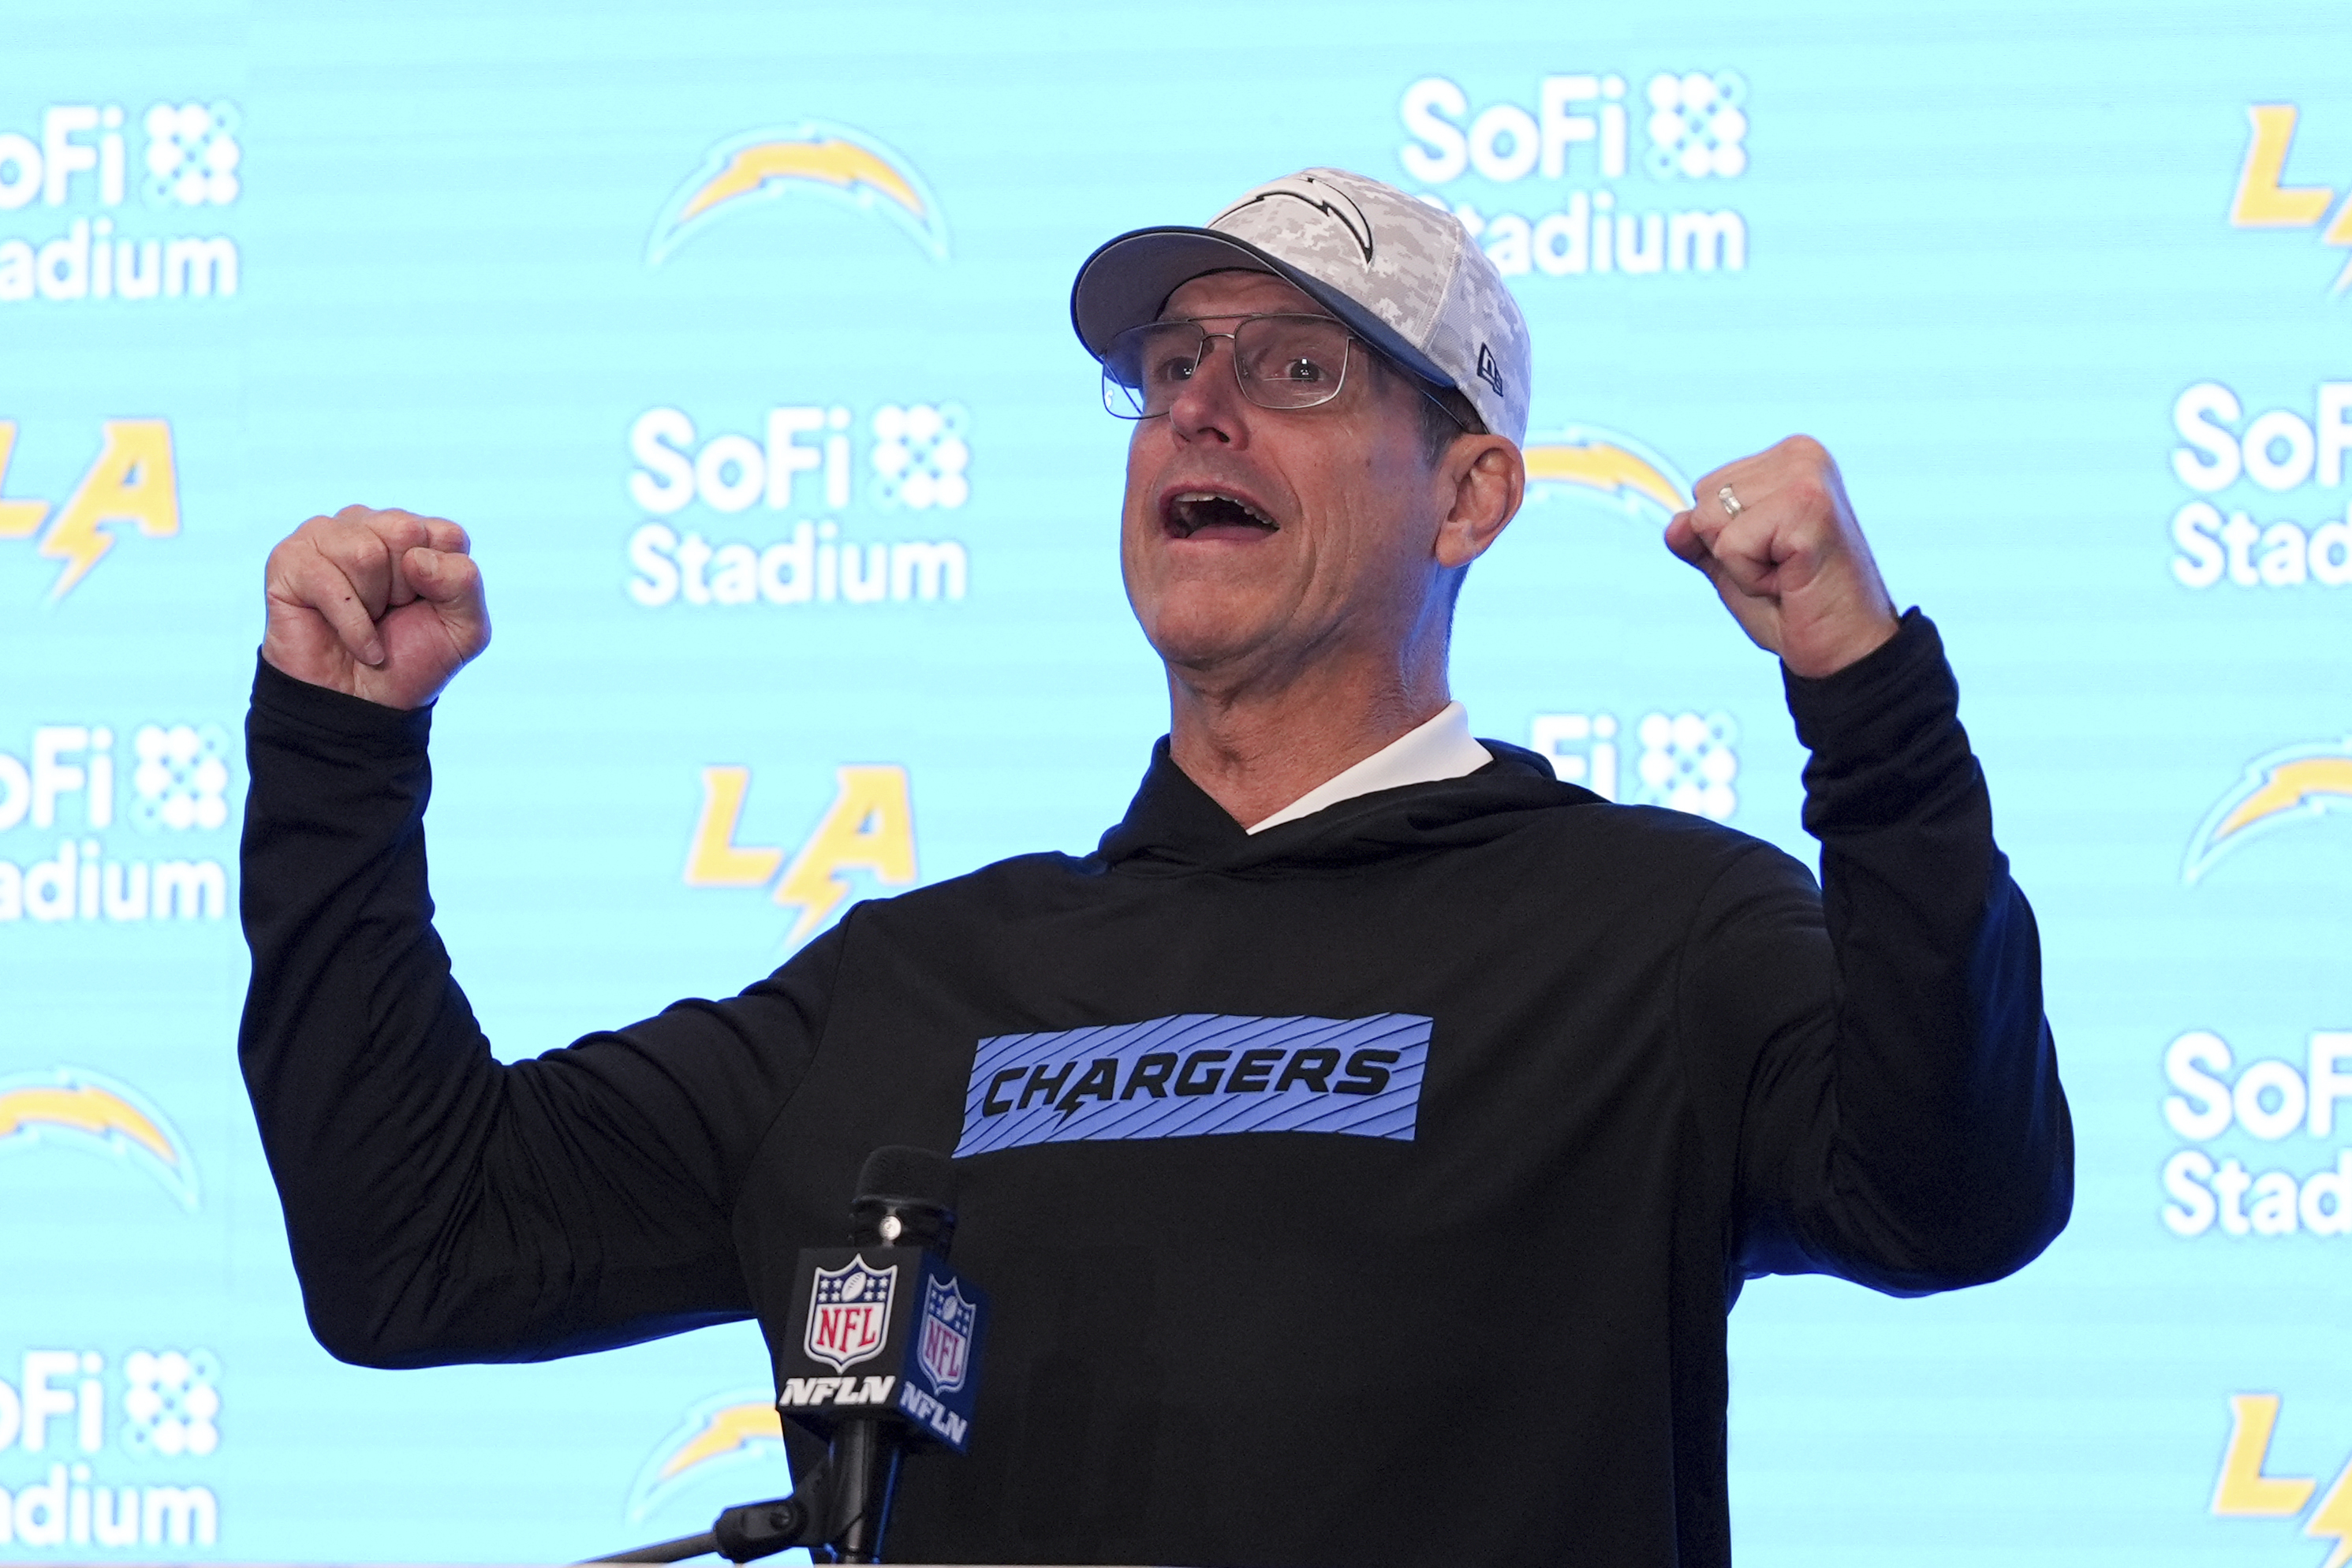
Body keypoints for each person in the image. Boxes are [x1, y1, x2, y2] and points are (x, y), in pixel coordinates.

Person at [239, 167, 2071, 1567]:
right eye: (1168, 367)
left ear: (1469, 497)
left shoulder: (1656, 936)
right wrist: (338, 750)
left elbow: (1956, 1190)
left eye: (1294, 366)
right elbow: (415, 1247)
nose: (1201, 408)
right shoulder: (908, 993)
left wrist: (1869, 696)